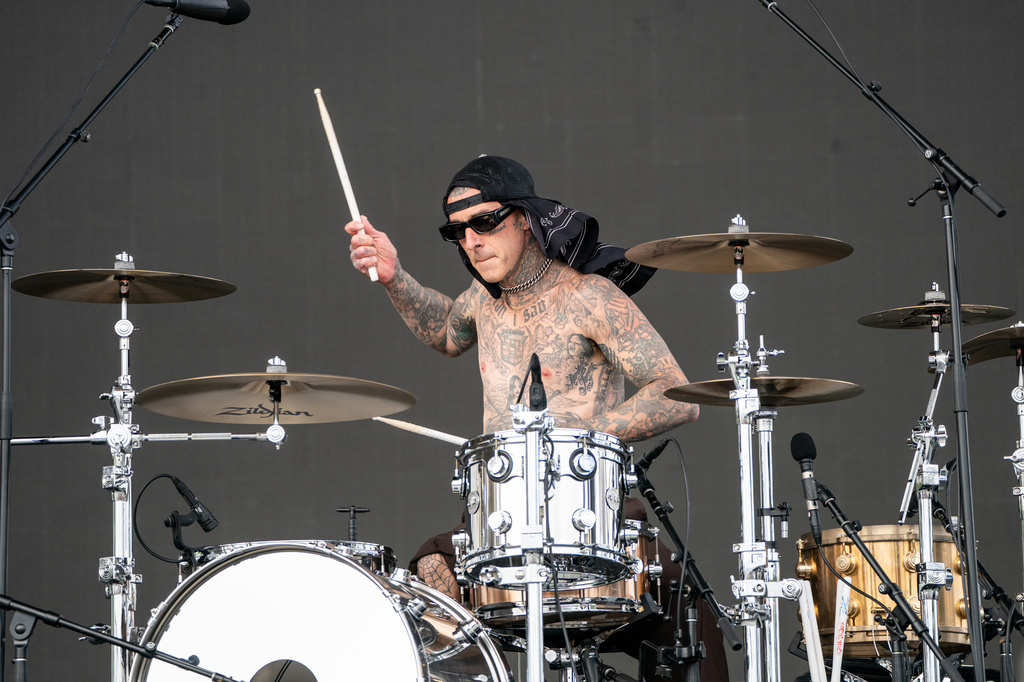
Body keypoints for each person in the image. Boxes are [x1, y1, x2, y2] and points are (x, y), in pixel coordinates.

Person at [346, 155, 727, 681]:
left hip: (594, 520)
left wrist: (580, 439)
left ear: (526, 218)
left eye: (485, 223)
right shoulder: (481, 299)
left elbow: (678, 395)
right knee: (431, 572)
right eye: (457, 231)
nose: (472, 241)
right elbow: (445, 334)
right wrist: (393, 276)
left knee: (688, 613)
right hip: (499, 522)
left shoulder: (590, 296)